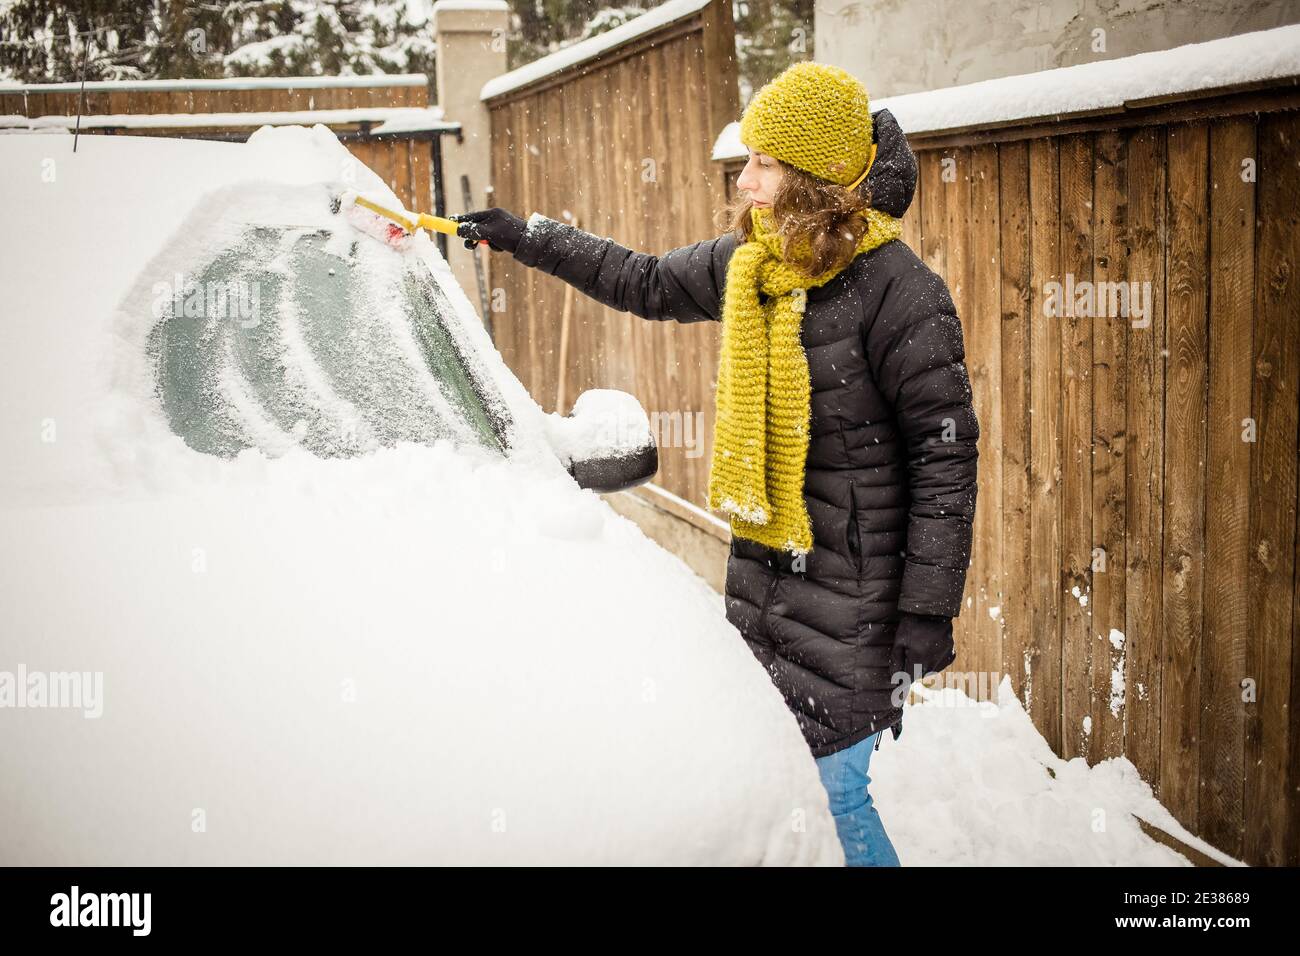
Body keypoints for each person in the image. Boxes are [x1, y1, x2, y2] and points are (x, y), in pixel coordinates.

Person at [452, 62, 978, 866]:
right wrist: (528, 237)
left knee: (835, 795)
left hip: (857, 603)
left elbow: (945, 459)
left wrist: (926, 609)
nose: (744, 177)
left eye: (763, 162)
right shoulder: (753, 264)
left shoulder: (901, 293)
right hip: (763, 582)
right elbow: (644, 279)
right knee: (790, 793)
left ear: (812, 176)